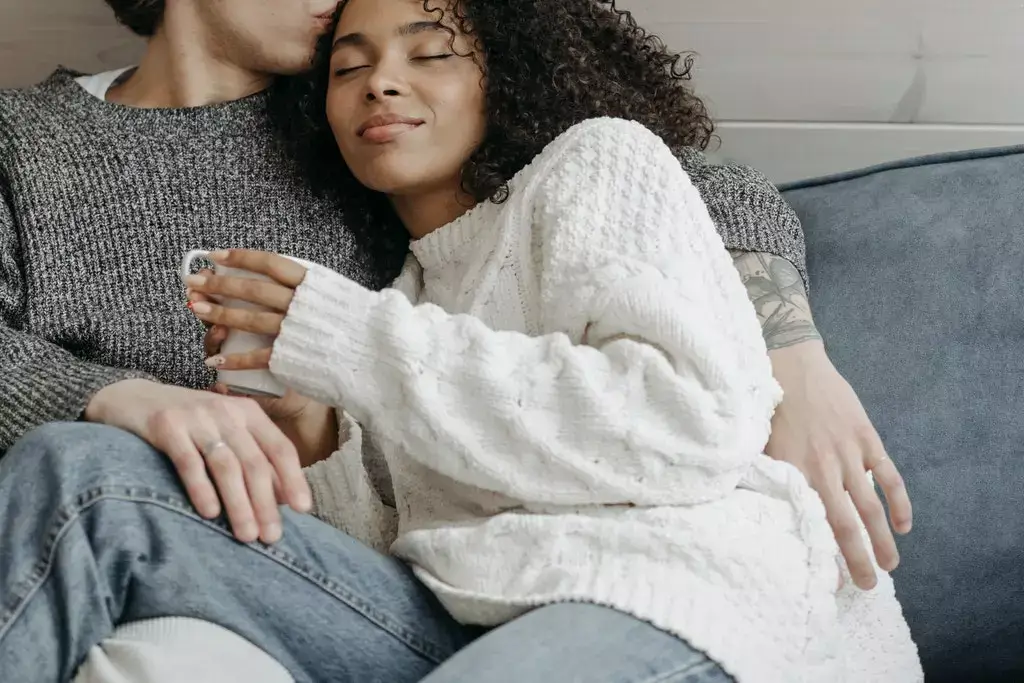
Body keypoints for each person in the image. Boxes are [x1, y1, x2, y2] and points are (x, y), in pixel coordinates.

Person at [0, 1, 920, 682]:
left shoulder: (365, 138)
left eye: (425, 52)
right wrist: (124, 396)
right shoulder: (31, 139)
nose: (375, 80)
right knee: (77, 468)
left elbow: (677, 175)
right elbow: (396, 517)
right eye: (351, 69)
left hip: (634, 579)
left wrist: (788, 348)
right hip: (368, 571)